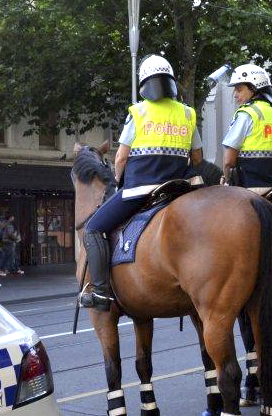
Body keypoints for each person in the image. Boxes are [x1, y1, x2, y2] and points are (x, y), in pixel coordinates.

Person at [78, 54, 204, 310]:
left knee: (93, 226)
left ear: (145, 83)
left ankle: (101, 291)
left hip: (141, 189)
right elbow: (198, 158)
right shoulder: (189, 114)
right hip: (179, 189)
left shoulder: (138, 112)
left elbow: (122, 157)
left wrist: (117, 179)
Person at [220, 63, 272, 192]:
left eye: (239, 89)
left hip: (253, 187)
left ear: (254, 89)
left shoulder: (247, 114)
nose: (235, 95)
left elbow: (229, 161)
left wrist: (226, 180)